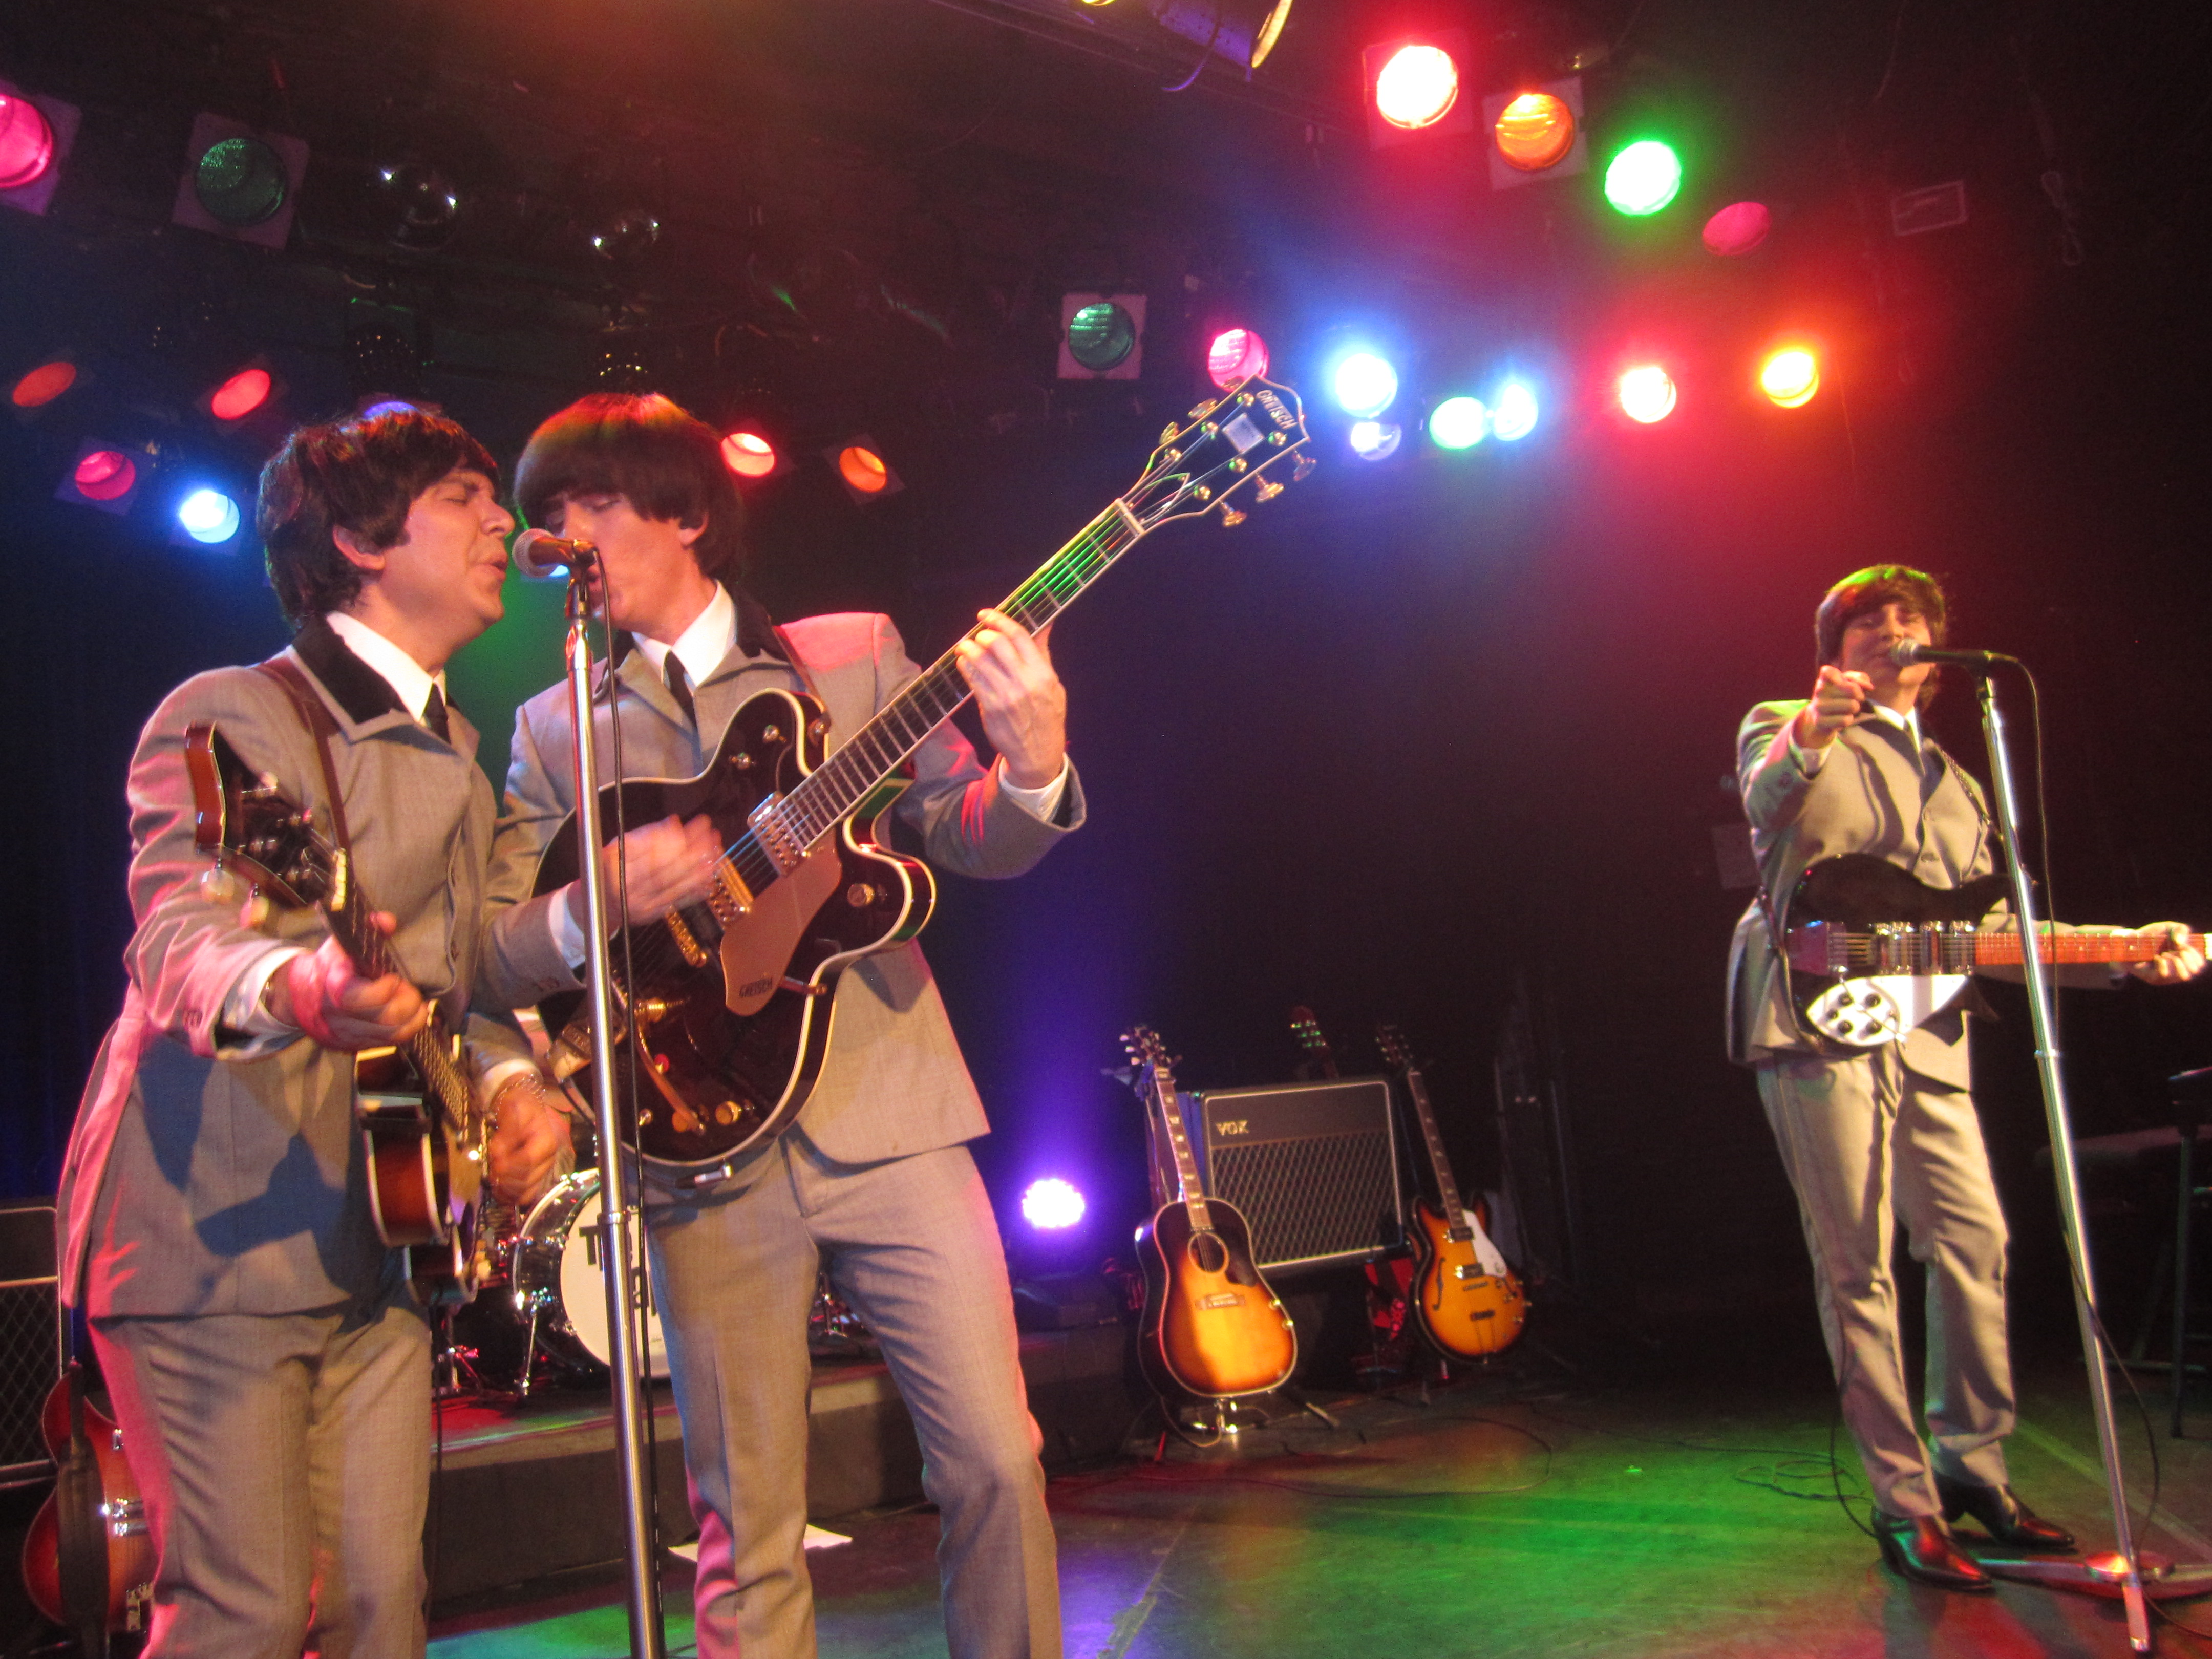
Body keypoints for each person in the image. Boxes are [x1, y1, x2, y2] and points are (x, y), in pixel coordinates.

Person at [478, 392, 1079, 1658]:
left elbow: (965, 834)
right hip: (698, 1143)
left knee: (995, 1458)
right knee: (745, 1526)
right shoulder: (551, 729)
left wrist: (1031, 763)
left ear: (688, 514)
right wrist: (596, 904)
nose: (567, 536)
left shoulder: (850, 655)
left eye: (595, 504)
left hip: (890, 1115)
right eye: (550, 515)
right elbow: (502, 948)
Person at [54, 407, 572, 1655]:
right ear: (360, 540)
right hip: (209, 1237)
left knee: (379, 1609)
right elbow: (177, 939)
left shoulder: (458, 747)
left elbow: (455, 992)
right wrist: (299, 990)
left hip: (384, 1242)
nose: (501, 521)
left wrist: (512, 1084)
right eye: (463, 497)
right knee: (241, 1609)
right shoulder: (236, 711)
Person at [1726, 564, 2203, 1591]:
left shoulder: (1962, 779)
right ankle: (1904, 1505)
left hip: (1929, 1031)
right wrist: (1812, 731)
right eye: (1866, 620)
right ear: (1834, 649)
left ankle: (1971, 1468)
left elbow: (1993, 935)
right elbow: (1766, 802)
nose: (1891, 629)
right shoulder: (1782, 724)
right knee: (1857, 1266)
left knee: (1975, 1240)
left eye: (1909, 617)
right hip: (1813, 1021)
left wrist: (2129, 950)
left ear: (1939, 653)